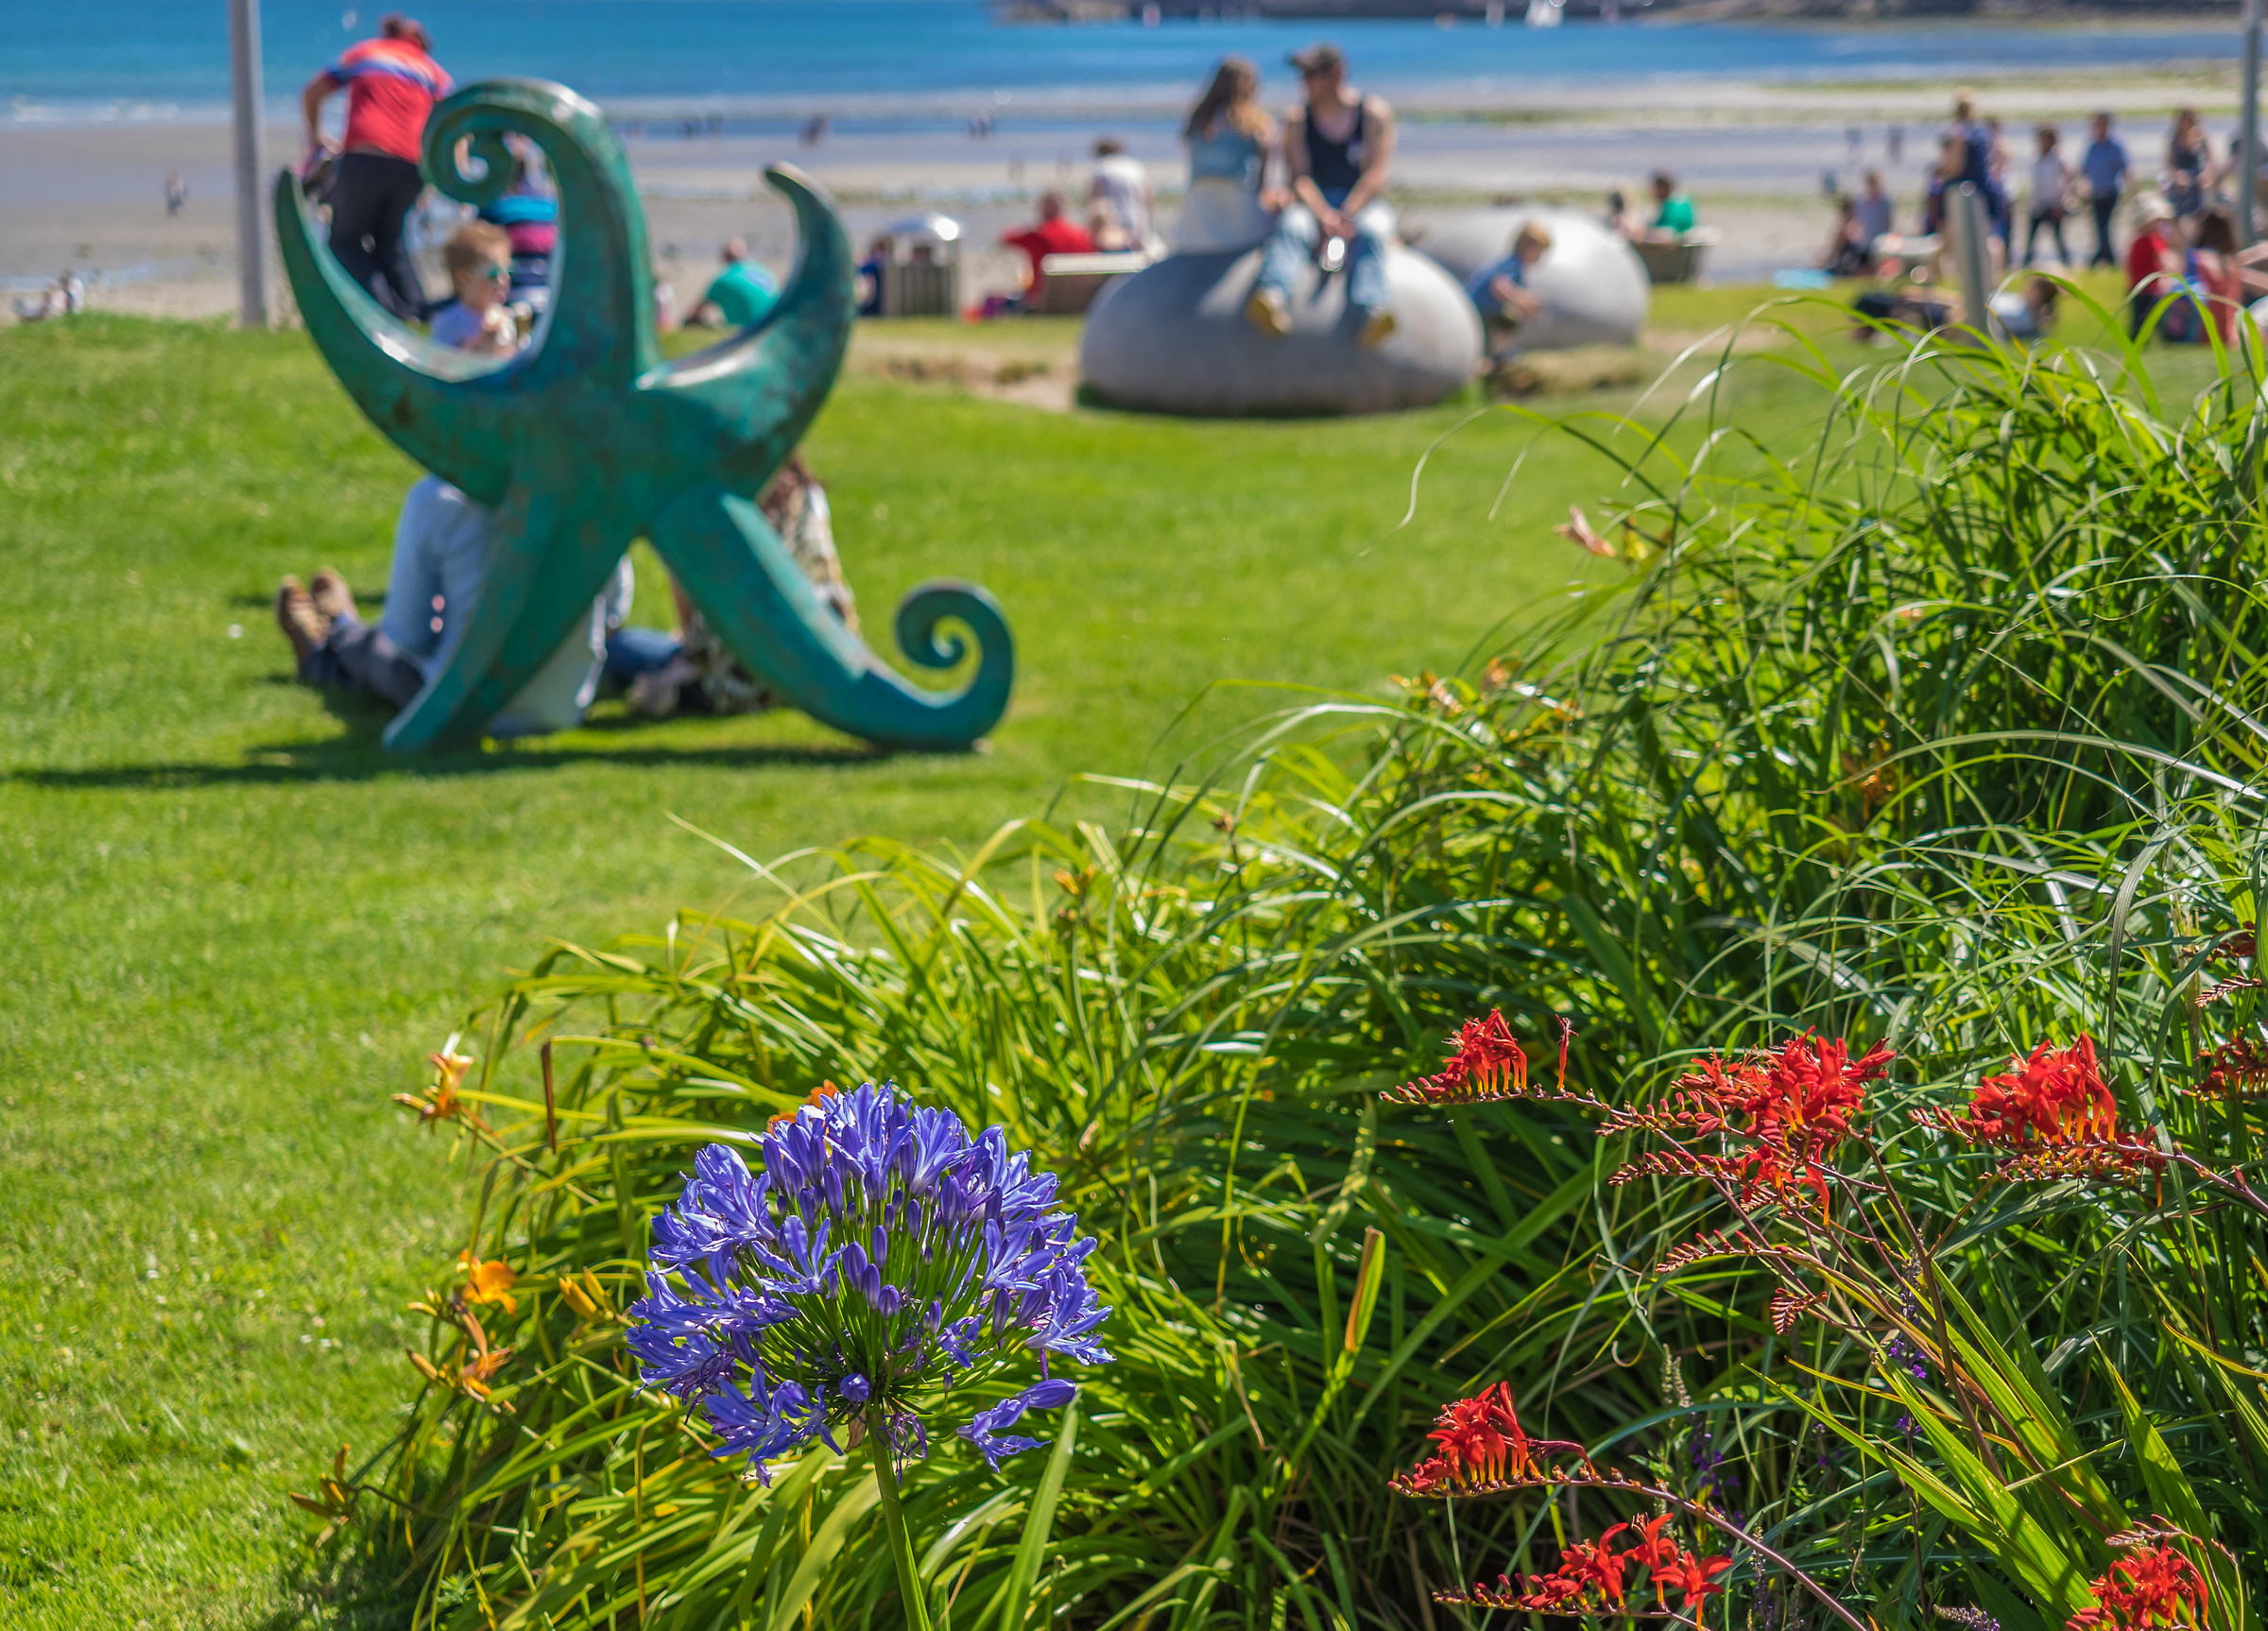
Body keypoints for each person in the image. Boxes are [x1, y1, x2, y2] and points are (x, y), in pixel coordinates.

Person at [277, 266, 630, 737]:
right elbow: (614, 612)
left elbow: (406, 636)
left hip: (464, 710)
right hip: (561, 708)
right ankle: (335, 635)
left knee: (383, 650)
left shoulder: (440, 499)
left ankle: (335, 636)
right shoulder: (596, 495)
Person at [613, 455, 862, 720]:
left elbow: (689, 600)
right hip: (819, 663)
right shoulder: (807, 493)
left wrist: (691, 642)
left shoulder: (716, 497)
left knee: (617, 649)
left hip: (734, 678)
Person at [299, 13, 451, 320]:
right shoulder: (432, 70)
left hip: (366, 158)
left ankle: (386, 315)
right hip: (413, 167)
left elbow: (312, 93)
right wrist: (440, 176)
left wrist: (316, 140)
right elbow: (450, 119)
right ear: (420, 43)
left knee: (345, 240)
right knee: (390, 240)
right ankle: (415, 314)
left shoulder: (366, 52)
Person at [1246, 42, 1399, 346]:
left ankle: (1372, 309)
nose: (1304, 83)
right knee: (1292, 227)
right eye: (1303, 75)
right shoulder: (1297, 119)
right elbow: (1299, 178)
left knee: (1370, 232)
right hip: (1315, 203)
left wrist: (1348, 213)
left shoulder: (1372, 113)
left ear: (1336, 74)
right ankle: (1273, 295)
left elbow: (1376, 174)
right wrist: (1324, 215)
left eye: (1311, 75)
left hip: (1360, 202)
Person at [1175, 56, 1281, 254]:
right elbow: (1262, 181)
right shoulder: (1254, 123)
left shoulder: (1198, 121)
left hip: (1196, 216)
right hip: (1240, 213)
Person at [477, 136, 558, 309]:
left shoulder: (494, 210)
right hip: (552, 296)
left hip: (510, 300)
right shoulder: (551, 207)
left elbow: (475, 256)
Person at [426, 222, 519, 353]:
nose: (503, 281)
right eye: (493, 274)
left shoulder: (505, 317)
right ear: (462, 279)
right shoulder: (448, 323)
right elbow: (440, 363)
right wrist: (481, 342)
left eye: (507, 271)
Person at [1464, 220, 1551, 352]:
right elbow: (1499, 285)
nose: (1540, 258)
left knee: (1508, 322)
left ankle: (1496, 355)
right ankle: (1495, 356)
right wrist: (1520, 301)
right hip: (1478, 310)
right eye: (1539, 252)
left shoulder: (1510, 262)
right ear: (1527, 248)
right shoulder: (1514, 264)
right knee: (1506, 325)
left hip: (1480, 309)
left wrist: (1523, 299)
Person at [1001, 193, 1094, 307]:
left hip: (1041, 299)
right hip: (1078, 299)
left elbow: (1005, 238)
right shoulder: (1082, 235)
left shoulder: (1039, 235)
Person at [2124, 193, 2185, 338]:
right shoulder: (2147, 241)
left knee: (2146, 317)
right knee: (2142, 318)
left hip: (2147, 287)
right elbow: (2165, 258)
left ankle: (2150, 337)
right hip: (2144, 288)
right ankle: (2142, 339)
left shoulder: (2149, 239)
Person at [1089, 139, 1159, 255]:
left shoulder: (1101, 168)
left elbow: (1095, 202)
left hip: (1114, 225)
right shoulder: (1136, 167)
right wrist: (1150, 226)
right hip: (1138, 219)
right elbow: (1149, 197)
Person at [687, 240, 780, 329]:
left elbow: (696, 312)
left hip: (745, 331)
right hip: (774, 323)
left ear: (725, 258)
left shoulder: (723, 280)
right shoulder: (764, 272)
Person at [2080, 112, 2129, 269]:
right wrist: (2082, 187)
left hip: (2111, 192)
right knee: (2099, 228)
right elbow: (2085, 170)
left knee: (2106, 227)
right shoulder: (2092, 146)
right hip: (2095, 193)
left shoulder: (2115, 146)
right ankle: (2107, 257)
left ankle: (2102, 258)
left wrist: (2130, 189)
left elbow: (2124, 168)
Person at [2023, 124, 2072, 266]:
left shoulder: (2058, 158)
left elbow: (2068, 178)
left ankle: (2066, 262)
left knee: (2058, 237)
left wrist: (2063, 200)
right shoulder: (2035, 157)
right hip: (2038, 204)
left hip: (2054, 204)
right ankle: (2026, 263)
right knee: (2031, 238)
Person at [2166, 109, 2211, 224]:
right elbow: (2170, 162)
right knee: (2176, 214)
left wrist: (2206, 174)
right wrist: (2177, 176)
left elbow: (2209, 159)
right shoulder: (2174, 139)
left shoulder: (2201, 137)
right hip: (2181, 180)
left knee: (2199, 214)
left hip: (2197, 180)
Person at [1820, 198, 1871, 278]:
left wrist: (1825, 261)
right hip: (1855, 262)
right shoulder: (1858, 226)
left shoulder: (1846, 229)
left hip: (1847, 265)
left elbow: (1835, 250)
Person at [1641, 170, 1695, 239]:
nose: (1653, 193)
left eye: (1655, 189)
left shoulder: (1675, 206)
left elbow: (1668, 233)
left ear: (1663, 188)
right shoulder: (1678, 201)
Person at [1852, 170, 1892, 251]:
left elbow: (1888, 222)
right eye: (1871, 183)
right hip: (1864, 243)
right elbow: (1856, 222)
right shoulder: (1860, 202)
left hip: (1880, 242)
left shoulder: (1885, 202)